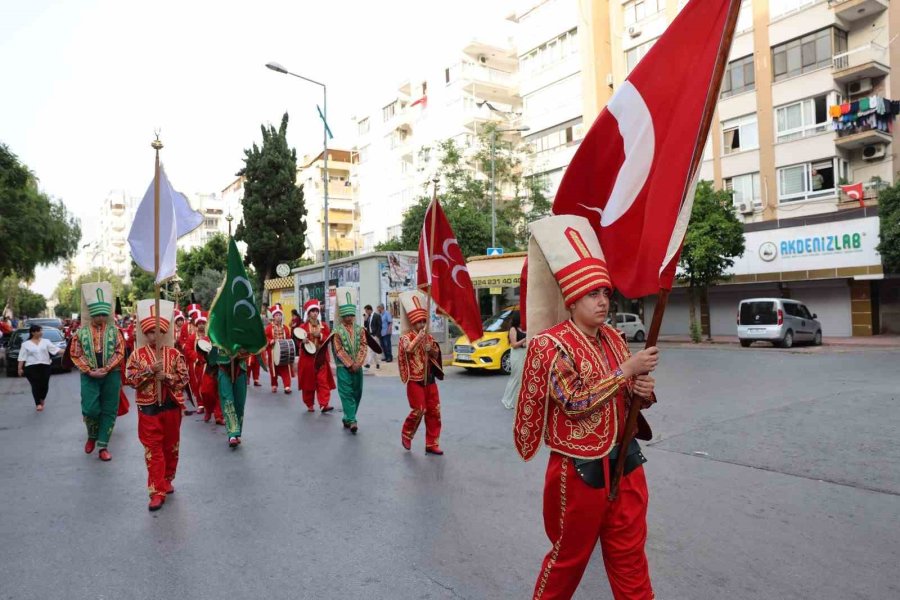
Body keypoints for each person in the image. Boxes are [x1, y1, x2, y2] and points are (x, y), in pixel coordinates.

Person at [514, 216, 660, 600]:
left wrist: (643, 390)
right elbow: (575, 402)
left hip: (626, 461)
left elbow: (629, 396)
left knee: (631, 559)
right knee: (568, 561)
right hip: (580, 470)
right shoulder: (551, 345)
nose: (602, 301)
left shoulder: (614, 338)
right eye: (593, 294)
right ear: (573, 300)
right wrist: (627, 370)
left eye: (605, 293)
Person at [125, 300, 188, 511]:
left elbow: (184, 379)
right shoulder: (137, 355)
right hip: (148, 410)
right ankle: (156, 491)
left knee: (171, 447)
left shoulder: (174, 354)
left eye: (159, 332)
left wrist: (167, 376)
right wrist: (149, 371)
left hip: (171, 407)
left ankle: (167, 479)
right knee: (153, 450)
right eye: (151, 332)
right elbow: (130, 379)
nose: (155, 336)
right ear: (146, 334)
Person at [69, 282, 126, 461]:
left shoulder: (115, 331)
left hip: (112, 374)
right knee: (90, 409)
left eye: (103, 314)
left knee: (109, 409)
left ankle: (103, 446)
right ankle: (92, 435)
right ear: (92, 314)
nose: (101, 318)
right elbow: (75, 354)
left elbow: (120, 351)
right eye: (97, 314)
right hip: (89, 376)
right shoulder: (80, 333)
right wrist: (89, 371)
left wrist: (107, 368)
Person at [397, 291, 443, 455]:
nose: (422, 324)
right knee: (419, 410)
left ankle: (432, 443)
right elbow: (408, 350)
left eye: (424, 321)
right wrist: (420, 338)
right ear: (412, 322)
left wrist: (432, 350)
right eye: (419, 322)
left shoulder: (428, 337)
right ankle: (406, 434)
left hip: (429, 379)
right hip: (415, 380)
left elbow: (436, 355)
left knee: (434, 411)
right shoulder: (405, 337)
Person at [332, 288, 368, 434]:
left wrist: (358, 363)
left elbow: (364, 346)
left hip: (357, 367)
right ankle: (353, 420)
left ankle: (347, 417)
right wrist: (350, 364)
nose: (349, 317)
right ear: (342, 315)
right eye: (346, 315)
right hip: (343, 367)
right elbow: (338, 350)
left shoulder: (360, 330)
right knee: (346, 393)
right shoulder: (337, 332)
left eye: (351, 315)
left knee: (357, 393)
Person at [296, 299, 335, 413]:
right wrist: (302, 342)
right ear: (308, 313)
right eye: (312, 311)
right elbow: (298, 341)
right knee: (308, 383)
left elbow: (328, 339)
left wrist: (321, 335)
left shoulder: (324, 326)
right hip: (307, 359)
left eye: (316, 311)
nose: (315, 313)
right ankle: (309, 404)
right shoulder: (303, 327)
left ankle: (324, 404)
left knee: (323, 381)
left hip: (321, 358)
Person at [210, 345, 250, 448]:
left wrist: (244, 352)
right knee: (227, 400)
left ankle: (237, 433)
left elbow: (250, 346)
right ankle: (232, 434)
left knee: (240, 403)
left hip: (240, 368)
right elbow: (214, 345)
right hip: (224, 367)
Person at [18, 325, 62, 411]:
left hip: (45, 365)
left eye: (41, 331)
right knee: (35, 385)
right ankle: (37, 403)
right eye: (39, 331)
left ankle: (42, 398)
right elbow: (22, 357)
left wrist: (69, 352)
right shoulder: (25, 344)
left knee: (44, 385)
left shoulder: (46, 341)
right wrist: (19, 368)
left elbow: (56, 350)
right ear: (33, 332)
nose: (41, 333)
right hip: (31, 367)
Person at [194, 311, 223, 425]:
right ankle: (208, 410)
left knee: (220, 393)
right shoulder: (205, 340)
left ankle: (218, 415)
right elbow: (200, 353)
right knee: (206, 392)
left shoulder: (223, 339)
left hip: (221, 369)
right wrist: (204, 358)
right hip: (209, 370)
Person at [500, 313, 527, 410]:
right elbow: (514, 344)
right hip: (517, 354)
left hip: (523, 353)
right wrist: (525, 339)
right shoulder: (513, 329)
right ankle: (507, 400)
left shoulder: (522, 328)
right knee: (515, 377)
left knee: (521, 378)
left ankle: (516, 401)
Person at [265, 304, 294, 393]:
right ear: (273, 317)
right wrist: (270, 341)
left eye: (280, 315)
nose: (278, 317)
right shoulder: (269, 328)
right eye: (276, 315)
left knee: (285, 368)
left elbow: (289, 338)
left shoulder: (285, 328)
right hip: (273, 351)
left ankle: (287, 386)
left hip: (284, 351)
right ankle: (274, 384)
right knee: (273, 369)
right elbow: (265, 338)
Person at [363, 304, 382, 370]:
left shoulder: (377, 316)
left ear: (369, 310)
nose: (366, 312)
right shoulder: (368, 317)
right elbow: (366, 326)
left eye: (366, 311)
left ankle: (368, 364)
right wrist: (365, 319)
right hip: (370, 335)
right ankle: (377, 363)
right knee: (374, 350)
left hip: (375, 335)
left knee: (371, 350)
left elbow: (380, 326)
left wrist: (377, 335)